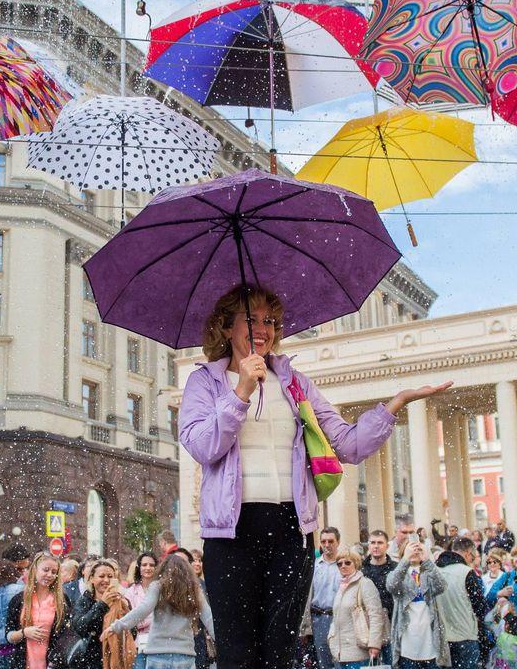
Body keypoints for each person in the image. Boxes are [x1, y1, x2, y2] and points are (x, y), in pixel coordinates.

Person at [180, 285, 451, 669]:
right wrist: (240, 389)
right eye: (251, 319)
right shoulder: (204, 383)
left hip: (290, 529)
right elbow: (202, 446)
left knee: (280, 651)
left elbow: (346, 443)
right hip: (231, 533)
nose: (263, 328)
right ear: (226, 327)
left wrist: (394, 406)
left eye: (270, 320)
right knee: (237, 652)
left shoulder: (294, 383)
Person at [105, 553, 213, 669]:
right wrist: (226, 642)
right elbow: (209, 619)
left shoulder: (157, 587)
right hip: (184, 654)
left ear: (163, 569)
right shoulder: (194, 590)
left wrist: (116, 626)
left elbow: (142, 610)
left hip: (158, 653)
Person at [5, 552, 72, 669]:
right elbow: (8, 636)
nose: (49, 575)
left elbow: (66, 634)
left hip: (53, 663)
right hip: (22, 662)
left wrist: (56, 658)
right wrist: (24, 632)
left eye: (54, 572)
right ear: (35, 570)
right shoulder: (19, 599)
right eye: (45, 570)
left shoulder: (62, 600)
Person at [386, 539, 446, 669]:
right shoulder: (398, 573)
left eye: (418, 549)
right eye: (411, 549)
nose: (415, 552)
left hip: (429, 637)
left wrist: (427, 560)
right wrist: (405, 560)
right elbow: (391, 585)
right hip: (407, 638)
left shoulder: (428, 573)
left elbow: (441, 586)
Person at [322, 545, 384, 669]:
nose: (343, 566)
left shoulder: (365, 584)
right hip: (341, 653)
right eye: (339, 564)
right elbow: (336, 617)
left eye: (347, 562)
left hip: (360, 652)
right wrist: (331, 637)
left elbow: (376, 615)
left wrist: (374, 644)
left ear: (355, 563)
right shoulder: (341, 586)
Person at [433, 536, 487, 669]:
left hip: (442, 637)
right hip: (466, 635)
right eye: (473, 557)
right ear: (468, 553)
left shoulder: (435, 570)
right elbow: (479, 606)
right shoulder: (467, 572)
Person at [70, 558, 132, 669]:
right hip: (90, 659)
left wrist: (123, 611)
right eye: (101, 576)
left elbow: (132, 632)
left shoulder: (122, 602)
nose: (106, 580)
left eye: (110, 576)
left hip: (116, 659)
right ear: (92, 579)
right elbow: (80, 627)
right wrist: (102, 604)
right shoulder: (85, 600)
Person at [361, 530, 397, 663]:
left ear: (387, 546)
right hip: (368, 627)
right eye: (373, 543)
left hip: (392, 624)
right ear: (368, 546)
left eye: (380, 543)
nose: (376, 546)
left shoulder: (395, 568)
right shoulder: (361, 570)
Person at [310, 527, 343, 669]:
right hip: (319, 619)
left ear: (338, 542)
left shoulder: (345, 565)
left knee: (340, 661)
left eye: (331, 541)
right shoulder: (314, 565)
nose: (327, 544)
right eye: (323, 541)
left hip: (340, 619)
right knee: (324, 662)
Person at [124, 552, 159, 669]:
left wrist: (143, 617)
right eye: (144, 565)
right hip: (139, 646)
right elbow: (131, 620)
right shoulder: (131, 591)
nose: (148, 568)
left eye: (151, 565)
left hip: (160, 644)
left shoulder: (163, 590)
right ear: (139, 568)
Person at [487, 546, 517, 617]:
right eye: (516, 556)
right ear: (512, 559)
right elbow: (489, 597)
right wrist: (501, 593)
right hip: (511, 622)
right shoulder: (507, 576)